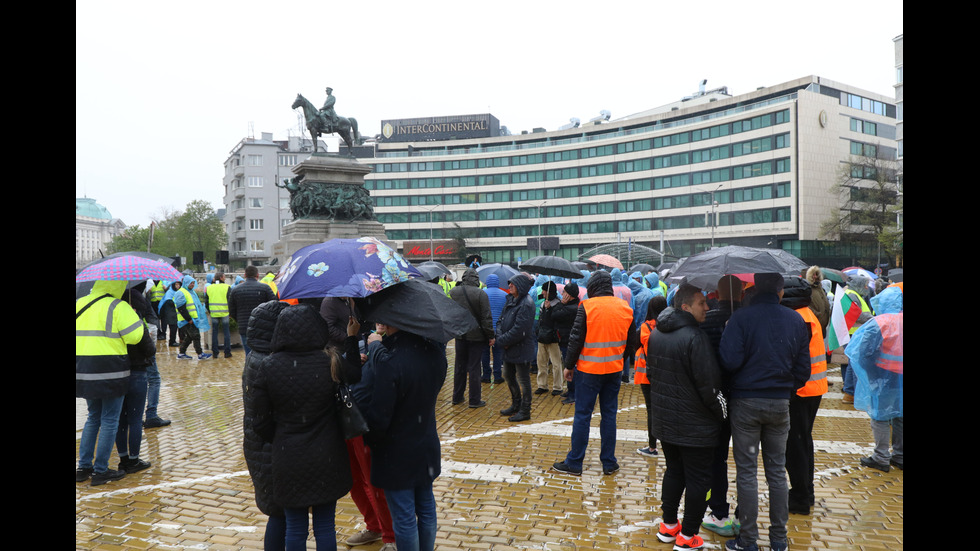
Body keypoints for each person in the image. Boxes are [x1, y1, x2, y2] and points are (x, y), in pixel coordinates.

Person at [251, 303, 361, 551]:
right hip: (328, 455)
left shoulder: (268, 366)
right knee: (325, 526)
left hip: (288, 457)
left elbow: (259, 421)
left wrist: (281, 437)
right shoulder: (330, 361)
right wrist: (352, 338)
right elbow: (355, 374)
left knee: (295, 528)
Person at [719, 273, 811, 551]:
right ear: (781, 292)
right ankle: (779, 540)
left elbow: (729, 361)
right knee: (776, 472)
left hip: (746, 403)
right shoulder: (795, 320)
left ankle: (748, 541)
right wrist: (785, 387)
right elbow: (804, 370)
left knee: (747, 472)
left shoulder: (741, 318)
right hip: (780, 404)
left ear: (754, 288)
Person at [646, 284, 727, 550]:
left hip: (666, 423)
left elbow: (654, 375)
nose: (707, 307)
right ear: (685, 308)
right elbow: (710, 387)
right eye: (701, 303)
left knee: (674, 472)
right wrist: (723, 414)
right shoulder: (696, 337)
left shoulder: (657, 333)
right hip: (696, 427)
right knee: (698, 480)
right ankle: (688, 535)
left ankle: (668, 526)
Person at [364, 321, 447, 551]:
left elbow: (379, 417)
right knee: (426, 507)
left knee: (404, 516)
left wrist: (370, 438)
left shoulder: (393, 362)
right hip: (426, 442)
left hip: (397, 451)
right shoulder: (435, 354)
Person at [553, 270, 638, 476]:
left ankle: (574, 462)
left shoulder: (588, 306)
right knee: (609, 416)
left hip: (589, 371)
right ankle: (609, 462)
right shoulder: (625, 307)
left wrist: (568, 365)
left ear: (592, 288)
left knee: (583, 415)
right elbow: (632, 341)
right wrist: (619, 357)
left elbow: (576, 338)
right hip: (614, 371)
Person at [76, 279, 145, 486]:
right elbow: (135, 337)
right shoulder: (118, 306)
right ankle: (101, 470)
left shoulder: (80, 302)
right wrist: (134, 317)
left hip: (84, 368)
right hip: (111, 369)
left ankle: (83, 467)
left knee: (93, 417)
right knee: (109, 419)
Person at [241, 299, 290, 550]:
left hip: (258, 445)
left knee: (278, 512)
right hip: (270, 447)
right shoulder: (270, 364)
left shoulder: (255, 357)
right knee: (282, 515)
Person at [698, 275, 744, 538]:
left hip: (717, 398)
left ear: (717, 291)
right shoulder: (747, 318)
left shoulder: (708, 318)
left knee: (717, 458)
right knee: (745, 460)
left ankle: (719, 510)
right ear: (741, 292)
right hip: (743, 395)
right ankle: (743, 514)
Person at [780, 276, 828, 515]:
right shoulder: (807, 313)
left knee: (795, 444)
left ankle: (800, 497)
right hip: (813, 388)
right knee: (803, 441)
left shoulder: (797, 318)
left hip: (801, 390)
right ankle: (805, 492)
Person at [847, 285, 903, 472]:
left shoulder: (879, 322)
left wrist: (869, 372)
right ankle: (900, 455)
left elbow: (862, 351)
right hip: (900, 378)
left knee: (880, 416)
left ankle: (881, 456)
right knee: (900, 415)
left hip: (882, 376)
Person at [115, 286, 157, 476]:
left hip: (117, 373)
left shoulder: (112, 320)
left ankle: (122, 459)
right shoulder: (135, 321)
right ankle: (133, 460)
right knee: (134, 419)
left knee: (120, 420)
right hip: (137, 373)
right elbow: (149, 350)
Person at [450, 268, 494, 408]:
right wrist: (490, 335)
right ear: (476, 279)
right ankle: (474, 400)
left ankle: (457, 396)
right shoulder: (481, 294)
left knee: (459, 367)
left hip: (460, 334)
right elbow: (486, 318)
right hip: (476, 336)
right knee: (474, 368)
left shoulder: (454, 292)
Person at [495, 274, 537, 422]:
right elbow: (500, 321)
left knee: (524, 380)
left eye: (512, 284)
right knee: (507, 375)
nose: (510, 286)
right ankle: (516, 404)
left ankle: (525, 410)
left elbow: (520, 329)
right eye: (509, 283)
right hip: (509, 347)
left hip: (521, 348)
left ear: (521, 286)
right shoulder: (510, 299)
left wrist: (503, 340)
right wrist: (501, 338)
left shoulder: (526, 303)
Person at [633, 295, 668, 457]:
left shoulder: (646, 327)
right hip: (665, 373)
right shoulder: (669, 326)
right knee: (663, 408)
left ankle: (652, 447)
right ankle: (667, 442)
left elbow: (647, 347)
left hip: (648, 375)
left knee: (651, 410)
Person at [229, 265, 277, 356]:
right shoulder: (265, 288)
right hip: (262, 326)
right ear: (257, 275)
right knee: (263, 352)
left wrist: (239, 319)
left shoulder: (235, 290)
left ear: (245, 275)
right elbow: (274, 305)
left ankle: (249, 369)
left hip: (244, 326)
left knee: (249, 353)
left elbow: (232, 311)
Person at [550, 282, 580, 405]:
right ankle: (570, 390)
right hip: (565, 340)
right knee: (568, 365)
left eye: (564, 292)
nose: (562, 294)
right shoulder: (573, 305)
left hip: (568, 341)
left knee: (570, 367)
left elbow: (554, 315)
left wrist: (561, 303)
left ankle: (573, 394)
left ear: (569, 295)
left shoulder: (570, 308)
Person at [533, 281, 564, 397]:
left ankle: (557, 386)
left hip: (553, 338)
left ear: (549, 291)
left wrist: (549, 309)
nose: (543, 292)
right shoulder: (543, 304)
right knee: (541, 362)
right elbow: (542, 320)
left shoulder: (558, 304)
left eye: (544, 290)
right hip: (542, 337)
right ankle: (542, 385)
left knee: (556, 363)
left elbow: (557, 320)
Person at [174, 274, 212, 360]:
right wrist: (189, 319)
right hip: (187, 320)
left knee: (189, 337)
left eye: (193, 283)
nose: (192, 284)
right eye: (190, 283)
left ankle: (182, 353)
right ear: (186, 283)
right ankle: (200, 354)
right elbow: (181, 308)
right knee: (196, 336)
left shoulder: (191, 292)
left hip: (192, 319)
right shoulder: (181, 292)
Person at [481, 274, 508, 385]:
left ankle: (486, 375)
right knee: (498, 353)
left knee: (485, 352)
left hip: (485, 328)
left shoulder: (482, 293)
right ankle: (497, 376)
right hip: (499, 329)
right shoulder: (505, 295)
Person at [205, 272, 233, 358]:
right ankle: (227, 352)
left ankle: (215, 353)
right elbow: (230, 300)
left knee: (214, 332)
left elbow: (206, 301)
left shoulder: (209, 288)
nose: (225, 278)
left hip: (214, 313)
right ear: (221, 278)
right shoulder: (227, 287)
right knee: (226, 332)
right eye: (224, 277)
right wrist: (231, 312)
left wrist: (210, 311)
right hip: (225, 312)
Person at [158, 280, 181, 347]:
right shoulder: (170, 292)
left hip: (175, 313)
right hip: (170, 313)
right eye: (176, 284)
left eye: (179, 284)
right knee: (173, 328)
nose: (178, 286)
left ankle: (173, 341)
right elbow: (169, 302)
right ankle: (172, 342)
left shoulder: (178, 292)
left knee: (175, 328)